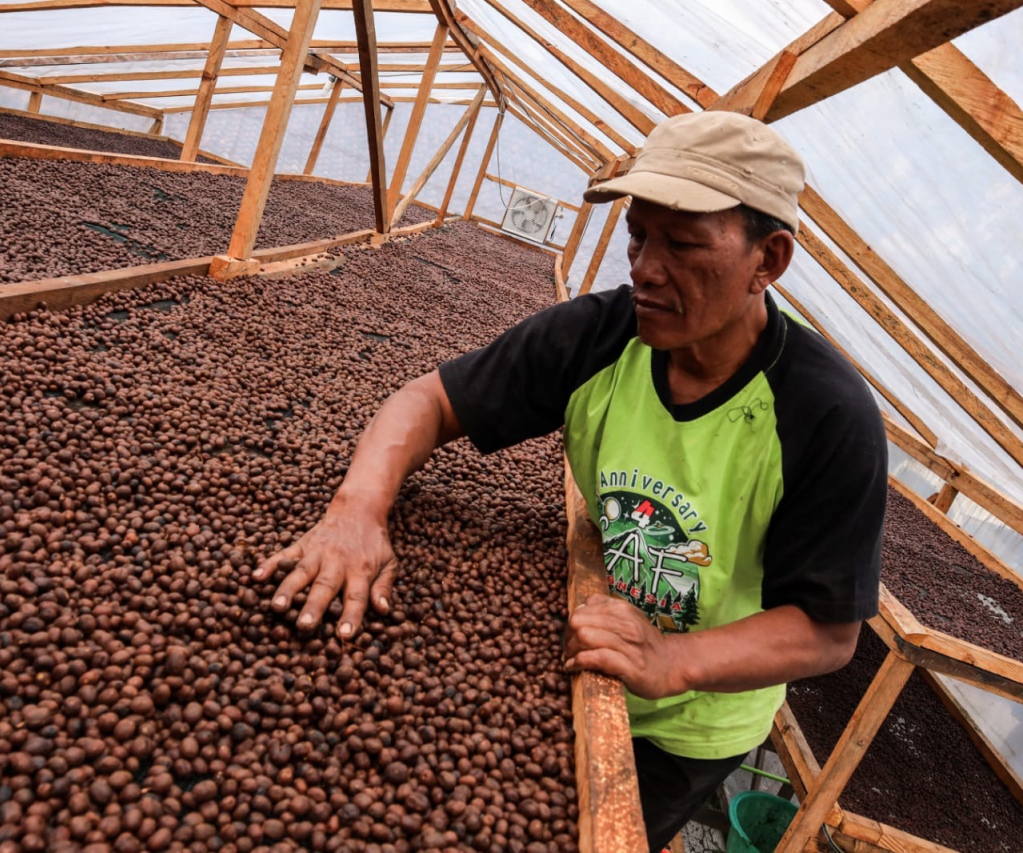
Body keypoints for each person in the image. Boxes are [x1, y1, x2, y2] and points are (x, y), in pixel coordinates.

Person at [254, 111, 886, 849]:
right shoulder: (601, 335)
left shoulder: (826, 415)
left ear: (767, 259)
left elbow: (827, 630)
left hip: (690, 723)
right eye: (639, 235)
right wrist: (357, 508)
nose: (646, 267)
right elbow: (427, 401)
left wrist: (673, 659)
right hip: (571, 651)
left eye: (682, 244)